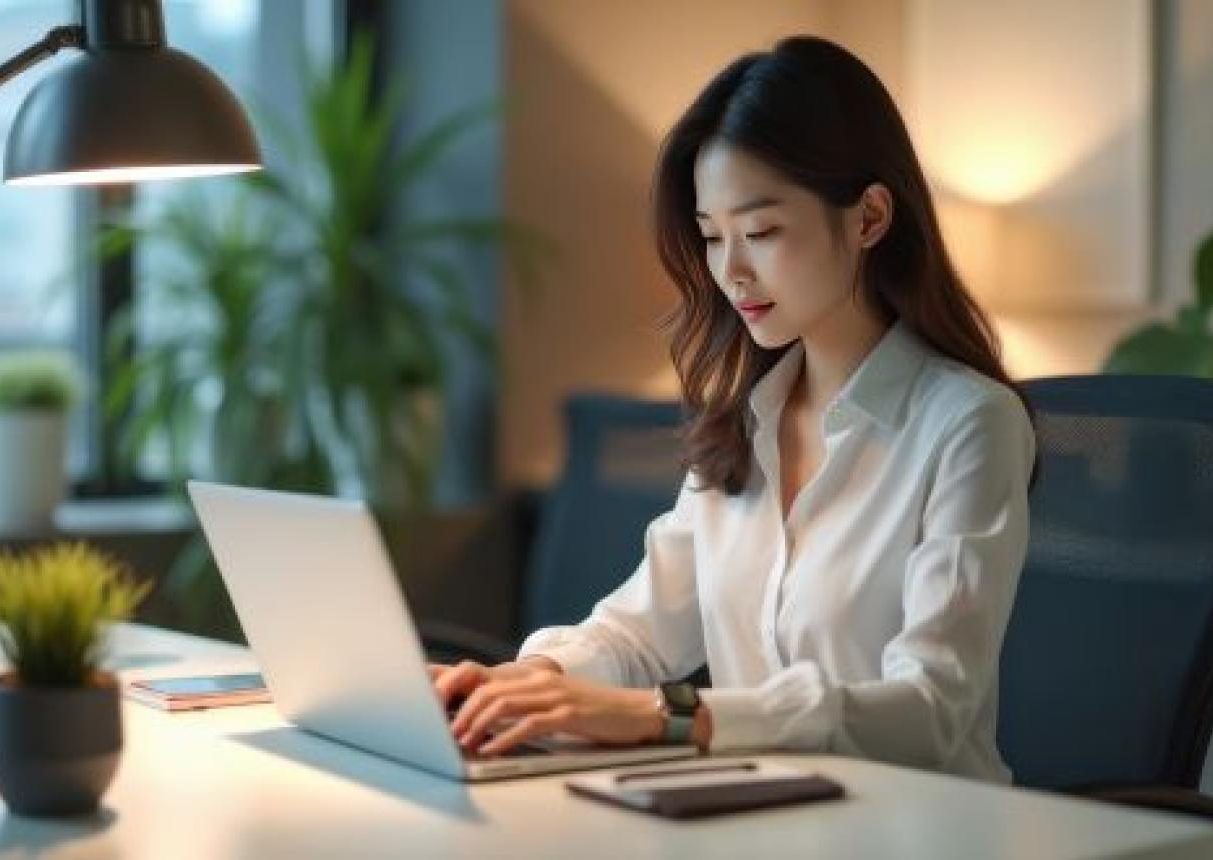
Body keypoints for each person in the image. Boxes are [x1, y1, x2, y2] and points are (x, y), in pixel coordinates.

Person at [431, 34, 1036, 784]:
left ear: (870, 218)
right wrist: (538, 679)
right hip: (761, 816)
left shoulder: (969, 424)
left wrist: (674, 717)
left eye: (761, 232)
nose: (731, 271)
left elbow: (933, 707)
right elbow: (640, 634)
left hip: (920, 828)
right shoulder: (743, 425)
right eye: (713, 238)